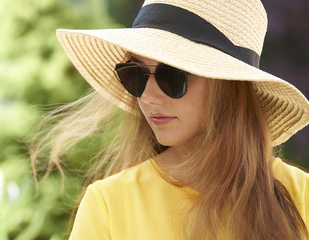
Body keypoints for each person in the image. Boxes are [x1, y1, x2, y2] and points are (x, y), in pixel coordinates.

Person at [31, 0, 309, 239]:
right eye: (135, 75)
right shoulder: (109, 204)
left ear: (228, 86)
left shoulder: (301, 196)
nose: (148, 97)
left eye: (172, 76)